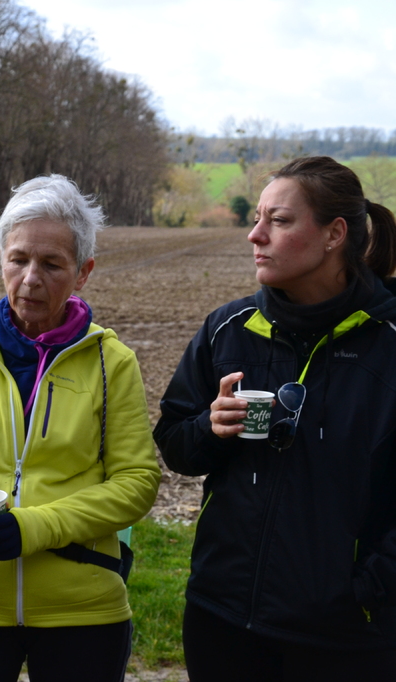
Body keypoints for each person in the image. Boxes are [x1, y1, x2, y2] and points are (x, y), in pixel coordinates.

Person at [0, 174, 161, 682]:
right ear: (1, 258)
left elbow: (137, 482)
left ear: (83, 272)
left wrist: (34, 527)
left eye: (52, 264)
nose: (30, 278)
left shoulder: (111, 361)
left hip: (83, 610)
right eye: (17, 259)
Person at [154, 156, 396, 681]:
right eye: (257, 218)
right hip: (223, 619)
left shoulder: (389, 342)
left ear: (334, 234)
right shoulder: (228, 329)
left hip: (348, 635)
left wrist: (370, 588)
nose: (255, 235)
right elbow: (174, 442)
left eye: (279, 221)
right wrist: (210, 428)